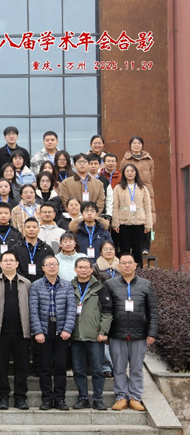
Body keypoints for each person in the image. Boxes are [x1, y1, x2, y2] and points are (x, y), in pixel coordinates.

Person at [106, 253, 158, 411]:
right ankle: (121, 397)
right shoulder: (110, 284)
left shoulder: (145, 284)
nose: (127, 265)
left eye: (130, 263)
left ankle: (135, 397)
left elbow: (153, 311)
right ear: (118, 266)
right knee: (118, 368)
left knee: (136, 368)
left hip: (139, 333)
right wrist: (105, 332)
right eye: (123, 263)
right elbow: (106, 311)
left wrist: (152, 333)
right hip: (117, 333)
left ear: (135, 265)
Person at [29, 255, 77, 410]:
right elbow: (33, 310)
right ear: (43, 267)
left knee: (60, 366)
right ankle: (47, 399)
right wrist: (37, 331)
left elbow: (71, 309)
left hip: (61, 328)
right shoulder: (36, 285)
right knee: (44, 367)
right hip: (44, 329)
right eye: (48, 264)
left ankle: (60, 398)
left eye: (55, 264)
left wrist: (67, 329)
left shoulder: (67, 285)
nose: (52, 267)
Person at [0, 251, 32, 410]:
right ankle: (3, 396)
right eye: (5, 260)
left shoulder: (26, 283)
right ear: (0, 264)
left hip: (22, 331)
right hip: (0, 331)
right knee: (0, 366)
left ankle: (20, 397)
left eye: (11, 260)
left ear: (17, 264)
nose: (8, 263)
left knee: (22, 365)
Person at [70, 258, 112, 411]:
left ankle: (98, 399)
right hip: (76, 336)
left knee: (97, 370)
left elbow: (107, 312)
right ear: (75, 269)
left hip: (95, 336)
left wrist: (103, 332)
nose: (83, 270)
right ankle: (82, 398)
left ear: (91, 269)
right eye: (80, 267)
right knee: (78, 370)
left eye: (86, 267)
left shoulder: (100, 287)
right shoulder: (69, 287)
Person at [119, 136, 155, 256]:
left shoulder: (149, 159)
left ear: (142, 145)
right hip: (128, 193)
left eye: (138, 143)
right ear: (130, 145)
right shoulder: (125, 160)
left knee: (147, 218)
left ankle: (145, 247)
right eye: (134, 143)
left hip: (144, 190)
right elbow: (122, 174)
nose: (136, 145)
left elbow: (151, 176)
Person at [112, 164, 152, 267]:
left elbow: (147, 207)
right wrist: (115, 223)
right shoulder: (118, 188)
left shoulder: (142, 188)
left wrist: (148, 224)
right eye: (127, 171)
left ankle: (139, 272)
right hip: (123, 223)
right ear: (124, 173)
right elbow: (115, 206)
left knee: (138, 251)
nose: (130, 173)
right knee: (124, 250)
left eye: (132, 171)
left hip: (139, 224)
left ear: (136, 173)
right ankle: (124, 270)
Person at [11, 218, 55, 283]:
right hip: (21, 283)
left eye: (34, 227)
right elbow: (13, 267)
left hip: (43, 284)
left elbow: (51, 266)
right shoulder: (16, 248)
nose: (31, 229)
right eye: (28, 227)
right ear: (23, 229)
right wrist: (24, 280)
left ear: (39, 229)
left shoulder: (47, 249)